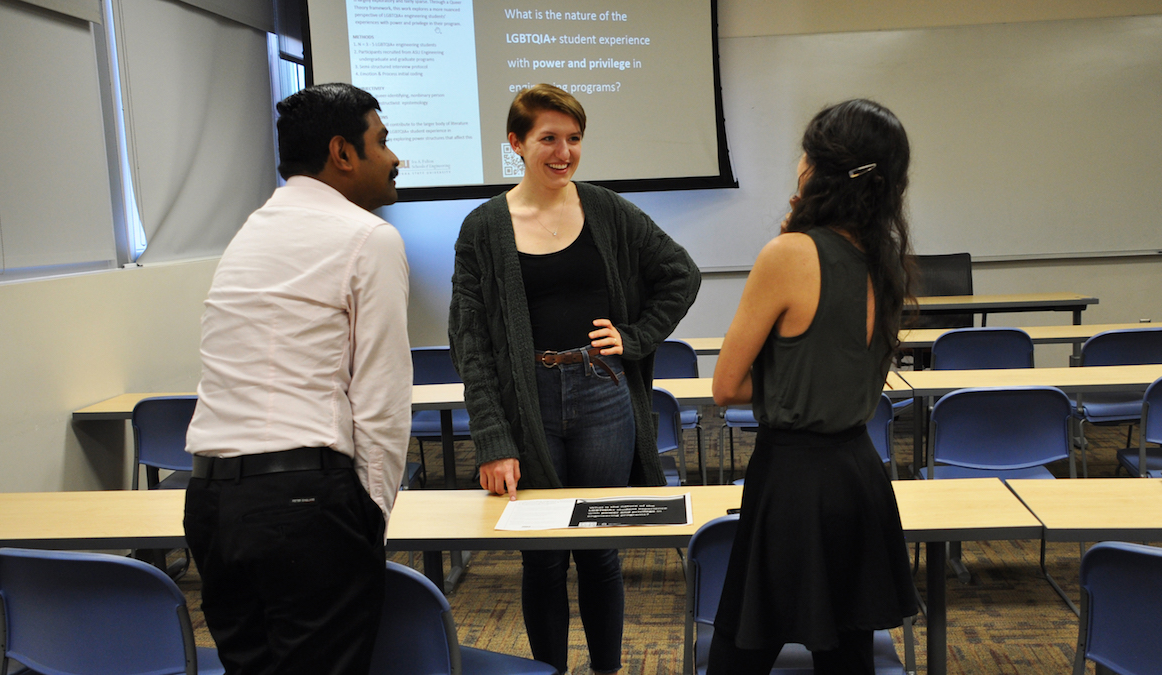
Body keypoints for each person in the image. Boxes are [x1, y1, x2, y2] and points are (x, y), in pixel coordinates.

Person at [448, 83, 700, 675]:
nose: (564, 153)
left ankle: (607, 669)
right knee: (541, 556)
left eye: (574, 138)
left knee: (599, 551)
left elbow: (681, 274)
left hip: (603, 395)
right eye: (549, 139)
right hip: (527, 400)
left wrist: (635, 337)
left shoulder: (606, 209)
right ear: (516, 143)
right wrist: (493, 439)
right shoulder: (483, 227)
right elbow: (471, 341)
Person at [183, 83, 411, 675]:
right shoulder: (369, 237)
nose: (396, 159)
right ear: (342, 152)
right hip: (303, 505)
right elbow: (382, 394)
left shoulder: (251, 231)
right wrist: (371, 518)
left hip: (210, 502)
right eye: (383, 141)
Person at [707, 99, 920, 674]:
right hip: (858, 473)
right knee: (847, 654)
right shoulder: (885, 258)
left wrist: (784, 383)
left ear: (819, 168)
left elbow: (726, 387)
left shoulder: (789, 253)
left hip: (794, 480)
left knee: (741, 648)